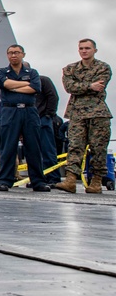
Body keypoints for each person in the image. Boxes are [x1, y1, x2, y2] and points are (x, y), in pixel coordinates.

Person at [56, 38, 112, 193]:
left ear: (95, 50)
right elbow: (69, 87)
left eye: (87, 48)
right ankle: (70, 180)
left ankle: (96, 182)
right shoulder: (70, 69)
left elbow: (99, 86)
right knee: (74, 147)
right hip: (77, 114)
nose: (84, 51)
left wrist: (81, 86)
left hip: (98, 113)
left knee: (98, 148)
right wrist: (89, 86)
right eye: (81, 48)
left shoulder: (103, 67)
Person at [0, 45, 49, 192]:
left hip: (29, 111)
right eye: (11, 53)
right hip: (9, 111)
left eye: (17, 53)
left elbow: (35, 87)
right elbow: (4, 83)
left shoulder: (32, 72)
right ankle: (4, 180)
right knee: (8, 147)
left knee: (33, 147)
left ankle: (38, 181)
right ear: (7, 55)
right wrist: (25, 84)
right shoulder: (1, 72)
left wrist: (12, 87)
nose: (14, 55)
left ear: (23, 54)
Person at [35, 74, 62, 185]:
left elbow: (53, 96)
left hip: (43, 119)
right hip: (30, 120)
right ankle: (38, 178)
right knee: (34, 152)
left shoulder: (43, 80)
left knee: (47, 149)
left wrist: (48, 114)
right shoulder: (22, 84)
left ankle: (53, 178)